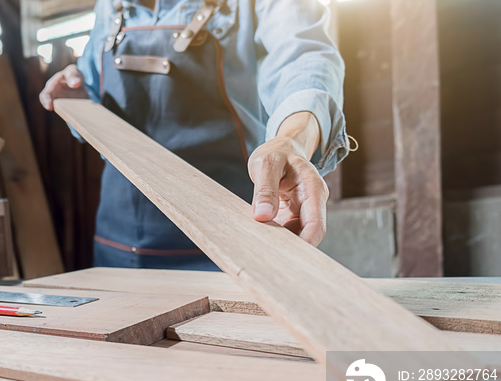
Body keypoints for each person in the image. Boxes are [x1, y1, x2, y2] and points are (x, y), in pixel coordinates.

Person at [40, 0, 349, 271]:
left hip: (230, 241)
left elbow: (305, 60)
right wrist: (79, 99)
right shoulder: (108, 5)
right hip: (118, 242)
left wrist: (293, 139)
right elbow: (97, 93)